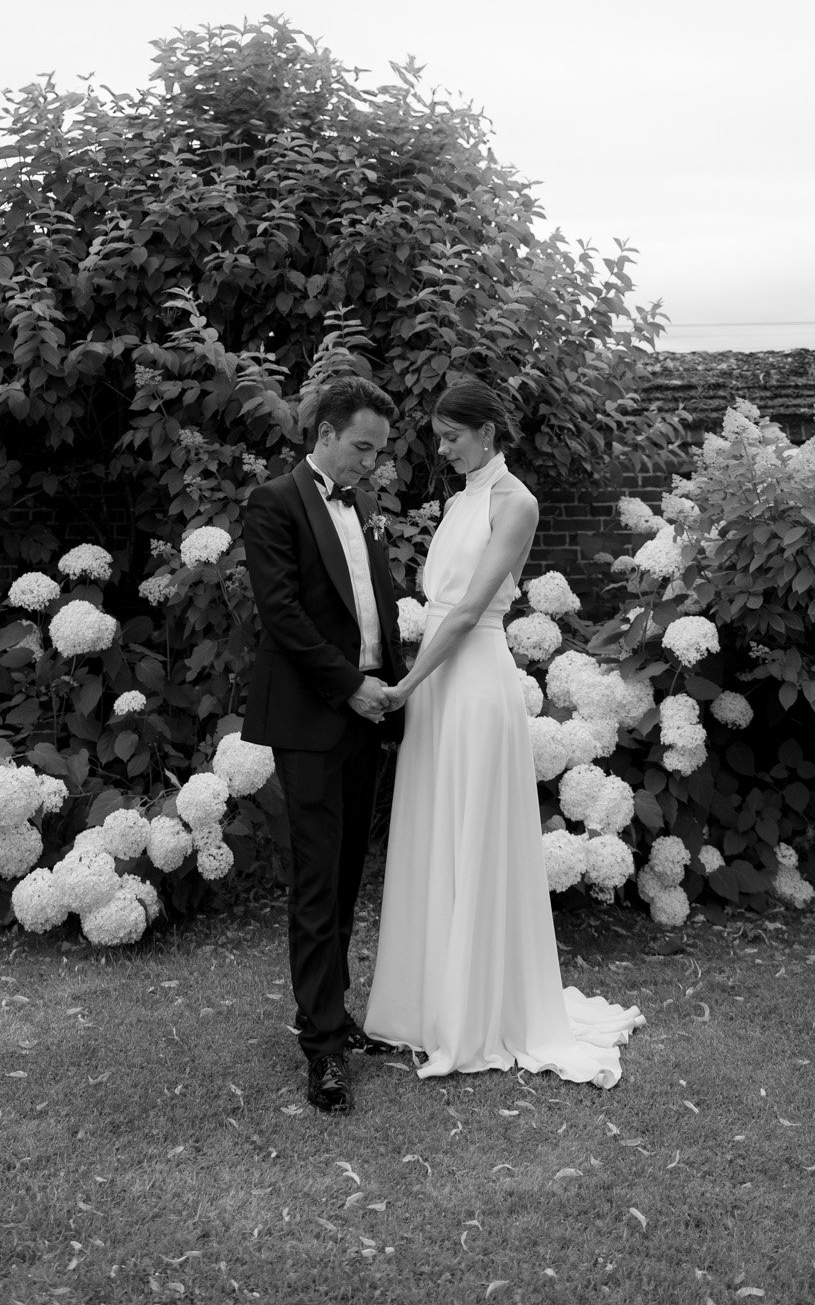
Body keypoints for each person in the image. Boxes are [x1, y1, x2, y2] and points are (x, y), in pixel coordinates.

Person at [365, 373, 645, 1083]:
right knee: (435, 825)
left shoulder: (515, 501)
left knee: (475, 829)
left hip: (471, 676)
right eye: (439, 439)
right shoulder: (458, 499)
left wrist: (404, 684)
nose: (444, 449)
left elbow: (464, 611)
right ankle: (429, 1000)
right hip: (437, 679)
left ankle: (479, 1008)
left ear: (487, 432)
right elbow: (437, 605)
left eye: (453, 437)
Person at [241, 372, 406, 1115]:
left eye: (376, 453)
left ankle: (333, 1015)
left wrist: (393, 688)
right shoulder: (273, 502)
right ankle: (322, 1049)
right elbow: (281, 614)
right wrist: (350, 685)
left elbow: (374, 606)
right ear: (327, 433)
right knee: (316, 881)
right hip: (315, 715)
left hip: (368, 711)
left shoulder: (364, 506)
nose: (369, 464)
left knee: (345, 877)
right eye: (361, 449)